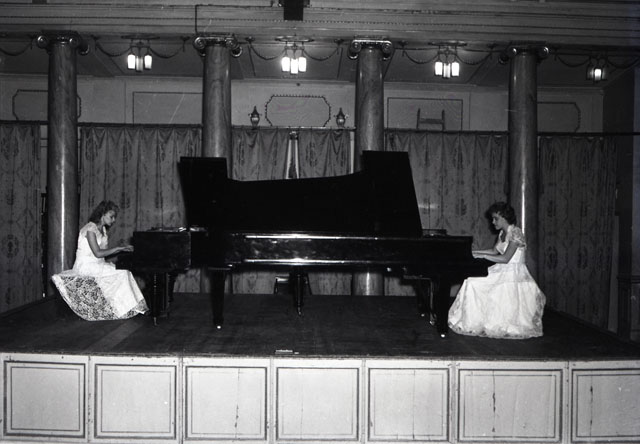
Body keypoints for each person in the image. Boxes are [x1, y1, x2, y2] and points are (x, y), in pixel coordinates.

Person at [448, 202, 546, 339]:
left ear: (504, 218)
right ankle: (471, 322)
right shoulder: (502, 233)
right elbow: (494, 251)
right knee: (470, 280)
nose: (493, 222)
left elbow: (505, 258)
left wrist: (482, 256)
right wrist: (474, 253)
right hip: (501, 270)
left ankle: (475, 323)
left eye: (495, 219)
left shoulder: (516, 233)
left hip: (513, 273)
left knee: (473, 283)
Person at [51, 200, 148, 320]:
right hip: (86, 266)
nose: (114, 220)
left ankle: (126, 307)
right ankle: (126, 308)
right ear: (102, 214)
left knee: (124, 271)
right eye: (111, 217)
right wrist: (118, 248)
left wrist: (122, 248)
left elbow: (103, 254)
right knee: (122, 273)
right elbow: (97, 253)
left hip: (97, 264)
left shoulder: (102, 230)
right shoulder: (90, 229)